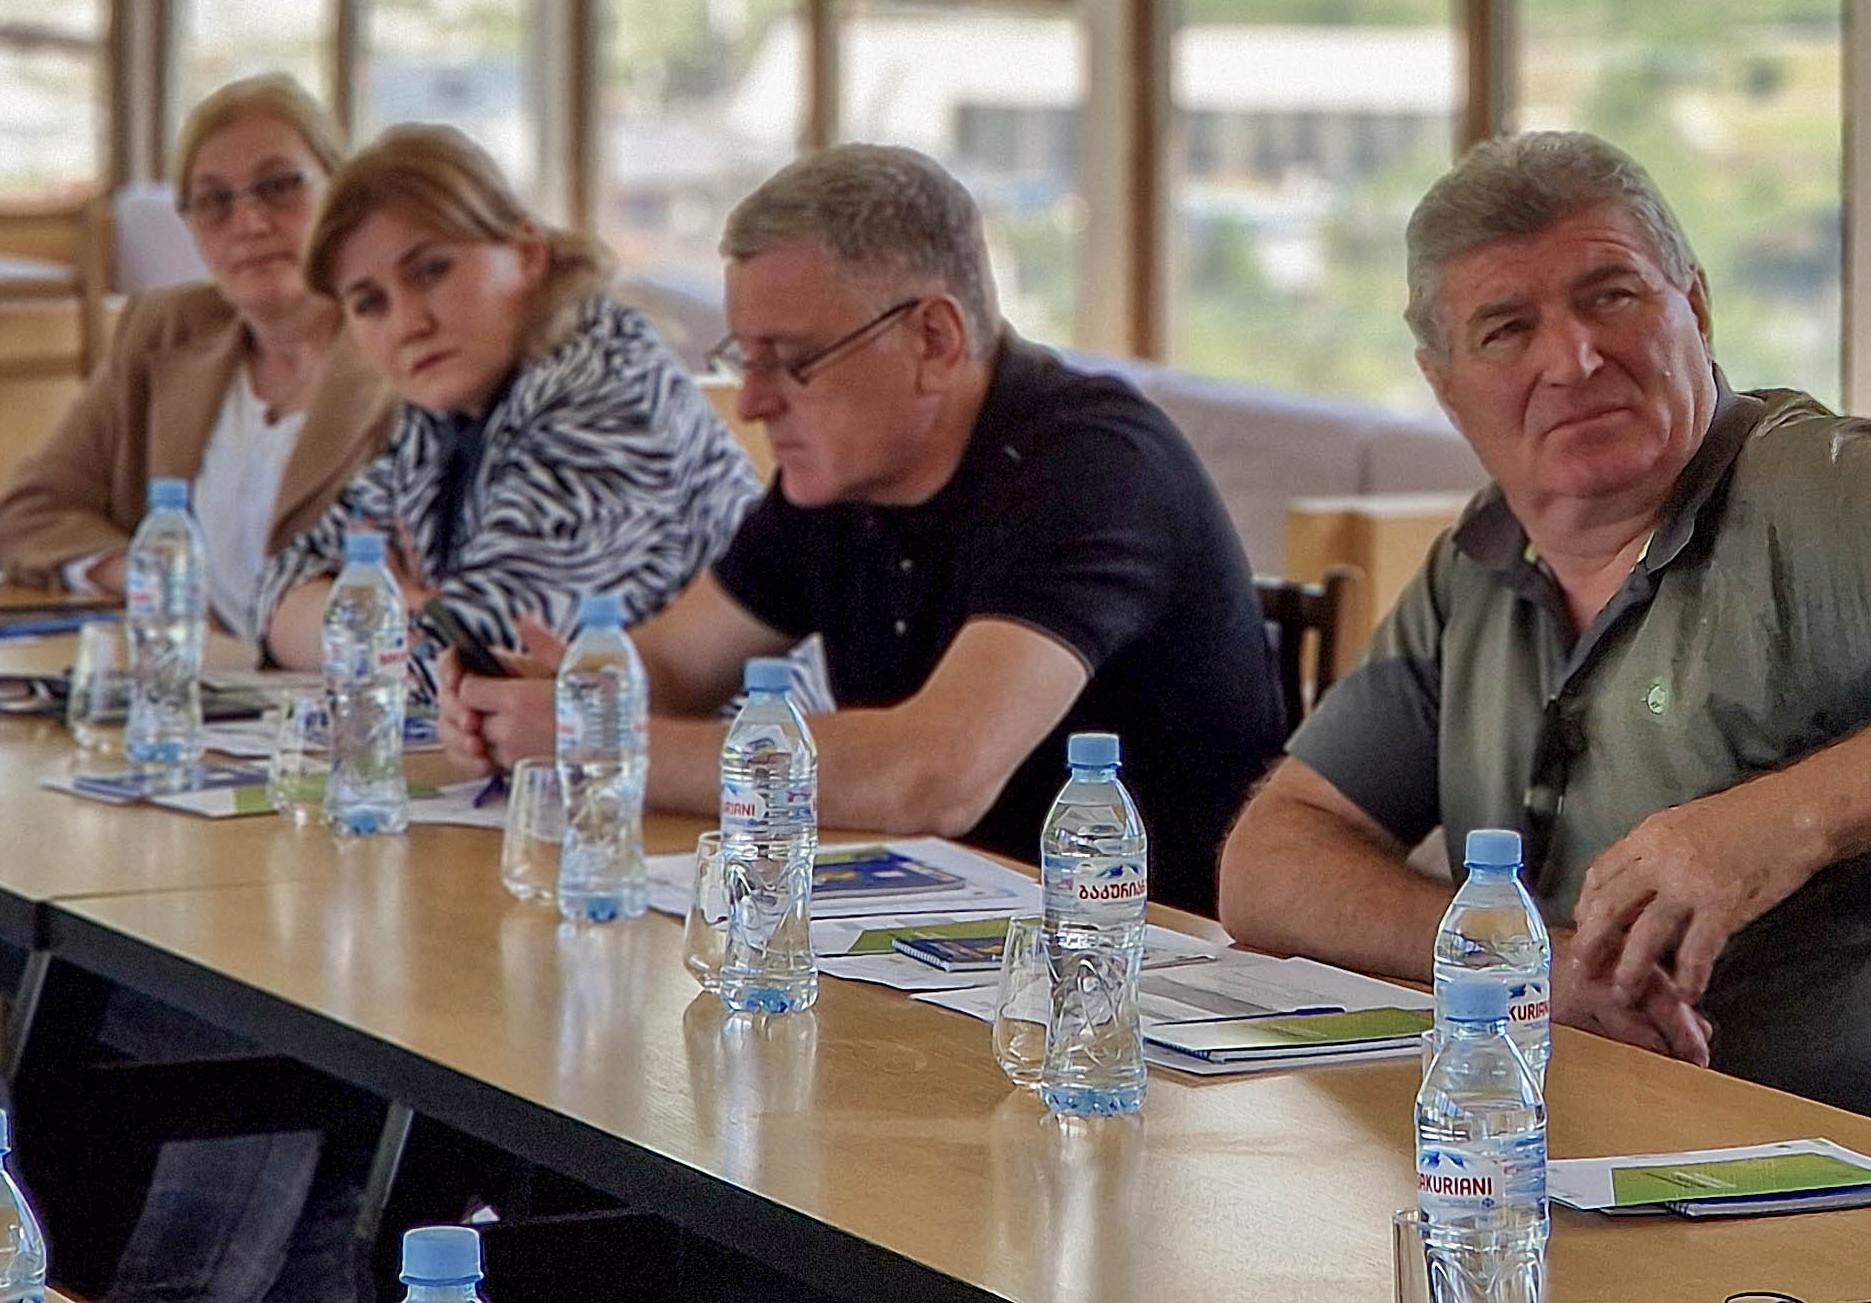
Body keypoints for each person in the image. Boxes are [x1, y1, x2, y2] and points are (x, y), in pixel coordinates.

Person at [1211, 131, 1871, 1141]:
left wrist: (1783, 821)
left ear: (1693, 307)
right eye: (1507, 330)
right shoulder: (1483, 557)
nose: (1574, 359)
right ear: (1445, 384)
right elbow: (1269, 863)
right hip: (1626, 1154)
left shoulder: (1824, 493)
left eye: (1612, 296)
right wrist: (1529, 967)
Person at [438, 145, 1284, 910]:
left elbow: (933, 775)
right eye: (746, 360)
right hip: (937, 931)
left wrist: (603, 743)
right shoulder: (841, 475)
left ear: (935, 339)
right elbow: (675, 665)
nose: (754, 402)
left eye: (791, 362)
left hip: (1138, 969)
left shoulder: (1093, 465)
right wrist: (563, 694)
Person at [258, 124, 758, 674]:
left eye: (431, 271)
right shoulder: (445, 406)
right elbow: (282, 583)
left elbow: (478, 664)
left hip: (743, 729)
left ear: (527, 253)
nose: (407, 324)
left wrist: (387, 622)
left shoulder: (610, 395)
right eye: (370, 303)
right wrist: (401, 621)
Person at [0, 75, 391, 634]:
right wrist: (146, 575)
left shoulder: (404, 349)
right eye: (213, 201)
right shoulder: (165, 329)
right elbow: (30, 513)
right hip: (183, 674)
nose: (249, 223)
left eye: (279, 186)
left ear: (341, 193)